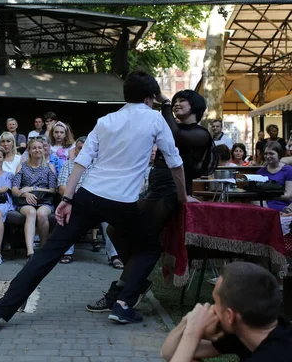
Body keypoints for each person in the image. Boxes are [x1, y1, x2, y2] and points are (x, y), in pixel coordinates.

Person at [0, 70, 191, 331]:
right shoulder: (156, 120)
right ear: (150, 98)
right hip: (123, 203)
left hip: (88, 197)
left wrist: (68, 198)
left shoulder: (106, 120)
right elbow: (175, 163)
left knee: (49, 253)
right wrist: (183, 197)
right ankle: (123, 305)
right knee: (150, 248)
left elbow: (81, 162)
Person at [89, 89, 210, 316]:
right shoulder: (172, 127)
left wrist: (163, 103)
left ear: (195, 106)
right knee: (116, 230)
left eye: (182, 101)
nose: (176, 104)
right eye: (175, 101)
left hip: (171, 190)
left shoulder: (199, 133)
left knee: (145, 243)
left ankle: (122, 294)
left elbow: (174, 136)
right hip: (155, 187)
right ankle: (137, 283)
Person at [160, 262, 291, 361]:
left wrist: (193, 332)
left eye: (215, 303)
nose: (211, 308)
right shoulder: (254, 329)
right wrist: (187, 321)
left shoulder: (275, 355)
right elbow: (169, 353)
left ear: (230, 316)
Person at [57, 136, 118, 264]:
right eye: (80, 148)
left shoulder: (101, 167)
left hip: (97, 202)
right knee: (68, 212)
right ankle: (67, 252)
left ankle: (115, 256)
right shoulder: (68, 165)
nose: (83, 151)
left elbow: (107, 186)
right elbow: (62, 187)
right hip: (76, 201)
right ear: (76, 151)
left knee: (110, 218)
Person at [12, 138, 57, 261]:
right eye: (34, 148)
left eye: (40, 147)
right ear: (29, 151)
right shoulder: (21, 166)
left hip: (44, 201)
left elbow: (53, 190)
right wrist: (25, 194)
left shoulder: (49, 167)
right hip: (25, 201)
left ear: (43, 150)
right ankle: (30, 252)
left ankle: (43, 248)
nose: (37, 150)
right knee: (31, 213)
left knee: (42, 214)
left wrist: (32, 188)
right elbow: (15, 189)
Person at [257, 142, 292, 212]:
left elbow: (288, 195)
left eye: (271, 153)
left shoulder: (288, 170)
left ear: (279, 154)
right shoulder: (260, 172)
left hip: (284, 207)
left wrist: (268, 195)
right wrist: (267, 210)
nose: (267, 156)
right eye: (266, 154)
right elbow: (258, 195)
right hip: (266, 208)